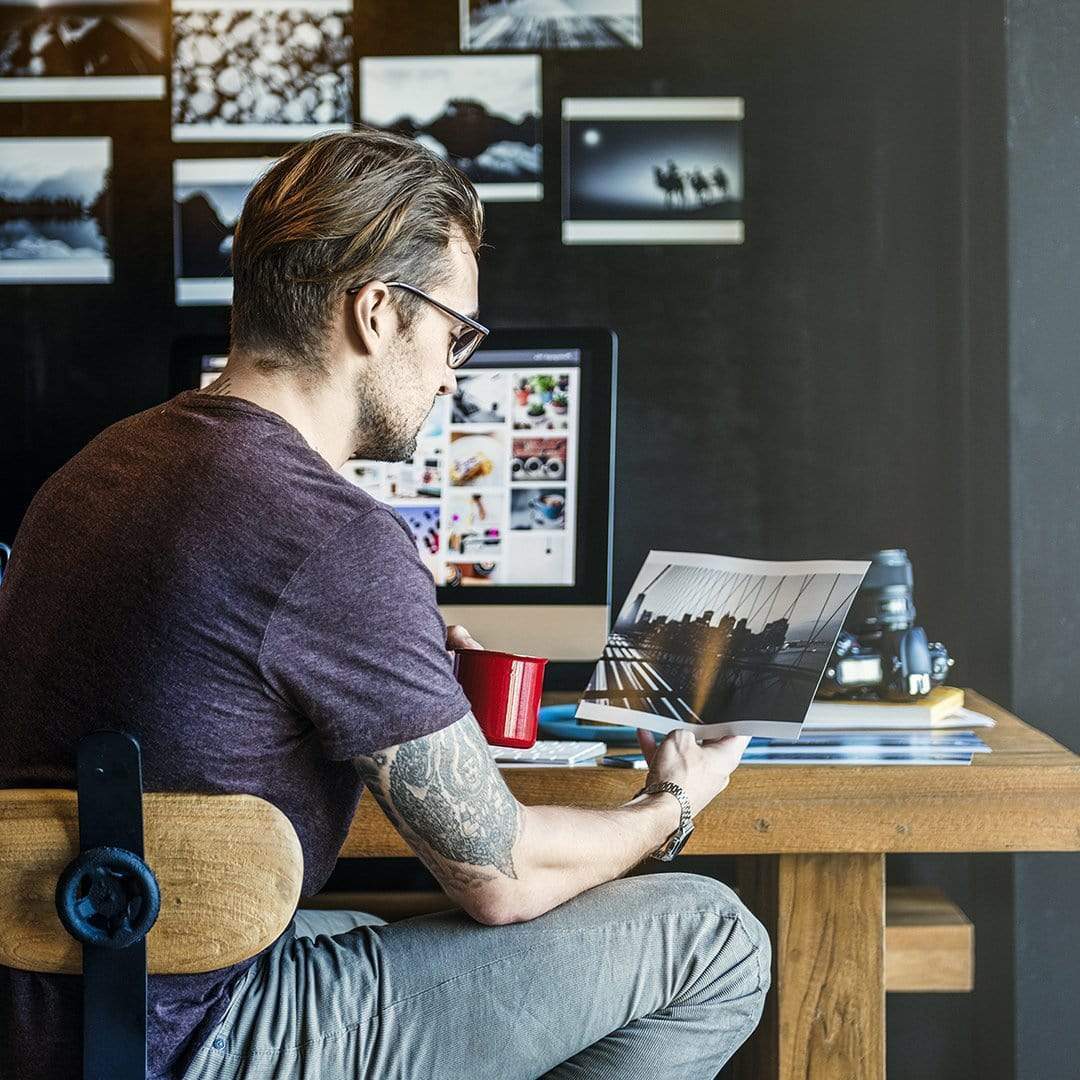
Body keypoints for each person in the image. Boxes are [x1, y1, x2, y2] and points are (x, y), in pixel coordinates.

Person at [0, 128, 769, 1080]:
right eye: (456, 331)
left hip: (46, 1020)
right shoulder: (329, 534)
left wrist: (387, 678)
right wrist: (672, 803)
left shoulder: (94, 471)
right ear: (375, 313)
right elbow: (502, 879)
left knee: (383, 924)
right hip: (202, 1039)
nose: (455, 372)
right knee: (713, 938)